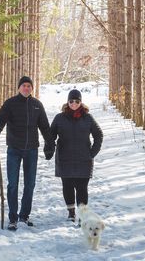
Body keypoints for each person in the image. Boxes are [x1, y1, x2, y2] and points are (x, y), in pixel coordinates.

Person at [0, 76, 54, 231]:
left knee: (30, 184)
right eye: (24, 85)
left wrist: (49, 145)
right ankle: (13, 218)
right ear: (19, 87)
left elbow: (45, 127)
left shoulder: (37, 105)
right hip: (14, 149)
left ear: (32, 88)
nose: (26, 88)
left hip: (31, 150)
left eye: (29, 86)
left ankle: (24, 216)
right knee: (12, 184)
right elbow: (0, 118)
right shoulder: (10, 103)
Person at [50, 89, 103, 222]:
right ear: (67, 102)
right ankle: (71, 213)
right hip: (64, 159)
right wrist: (50, 149)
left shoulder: (88, 118)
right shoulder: (59, 118)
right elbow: (50, 136)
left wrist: (92, 153)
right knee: (67, 187)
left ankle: (82, 215)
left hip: (84, 160)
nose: (74, 103)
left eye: (77, 101)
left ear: (81, 102)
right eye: (71, 101)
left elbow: (98, 135)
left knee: (82, 188)